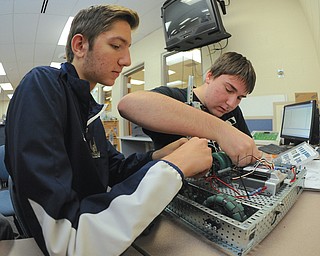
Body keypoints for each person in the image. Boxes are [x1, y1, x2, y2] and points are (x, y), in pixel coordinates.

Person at [4, 5, 212, 256]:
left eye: (128, 48)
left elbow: (113, 169)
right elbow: (67, 243)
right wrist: (174, 169)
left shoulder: (88, 110)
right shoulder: (42, 86)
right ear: (80, 45)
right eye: (116, 46)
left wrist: (159, 157)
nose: (127, 60)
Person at [118, 52, 262, 167]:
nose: (231, 103)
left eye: (240, 98)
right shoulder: (175, 97)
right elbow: (128, 104)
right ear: (210, 76)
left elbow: (248, 150)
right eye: (229, 89)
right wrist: (220, 130)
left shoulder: (232, 112)